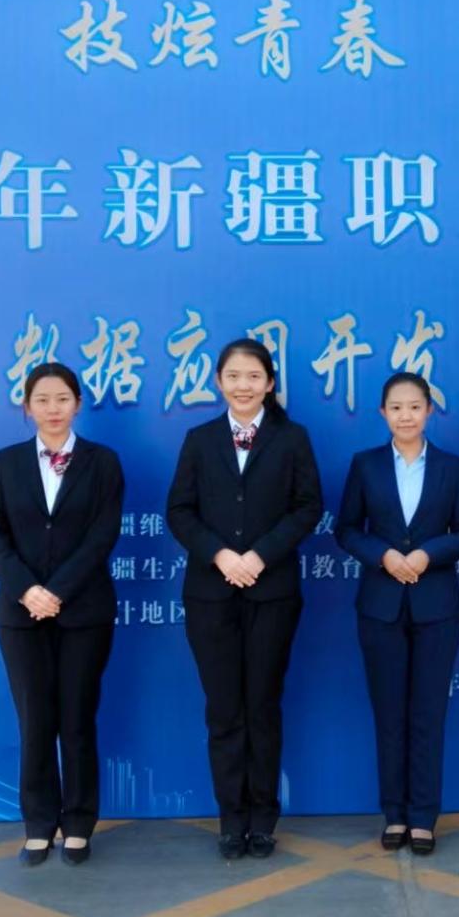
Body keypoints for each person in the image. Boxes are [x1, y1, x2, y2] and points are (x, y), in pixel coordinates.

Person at [167, 338, 324, 860]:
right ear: (218, 382)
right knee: (223, 709)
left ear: (270, 383)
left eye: (253, 376)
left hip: (272, 592)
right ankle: (230, 820)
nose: (243, 385)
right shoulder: (199, 440)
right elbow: (179, 511)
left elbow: (308, 507)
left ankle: (262, 819)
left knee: (262, 705)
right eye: (233, 376)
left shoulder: (292, 438)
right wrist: (220, 555)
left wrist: (259, 556)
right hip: (210, 594)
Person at [0, 361, 124, 867]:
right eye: (42, 400)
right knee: (35, 721)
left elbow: (103, 533)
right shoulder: (7, 462)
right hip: (21, 615)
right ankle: (39, 824)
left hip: (84, 611)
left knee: (77, 718)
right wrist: (27, 590)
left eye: (62, 399)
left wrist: (57, 591)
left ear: (77, 404)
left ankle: (79, 824)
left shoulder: (103, 462)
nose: (53, 408)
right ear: (27, 407)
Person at [334, 372, 459, 856]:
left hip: (436, 606)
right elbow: (347, 529)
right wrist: (383, 555)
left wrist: (426, 555)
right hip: (380, 606)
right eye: (396, 408)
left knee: (428, 714)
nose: (405, 416)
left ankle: (423, 816)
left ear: (429, 411)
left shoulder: (451, 467)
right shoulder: (366, 464)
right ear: (383, 413)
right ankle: (394, 813)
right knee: (389, 713)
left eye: (414, 407)